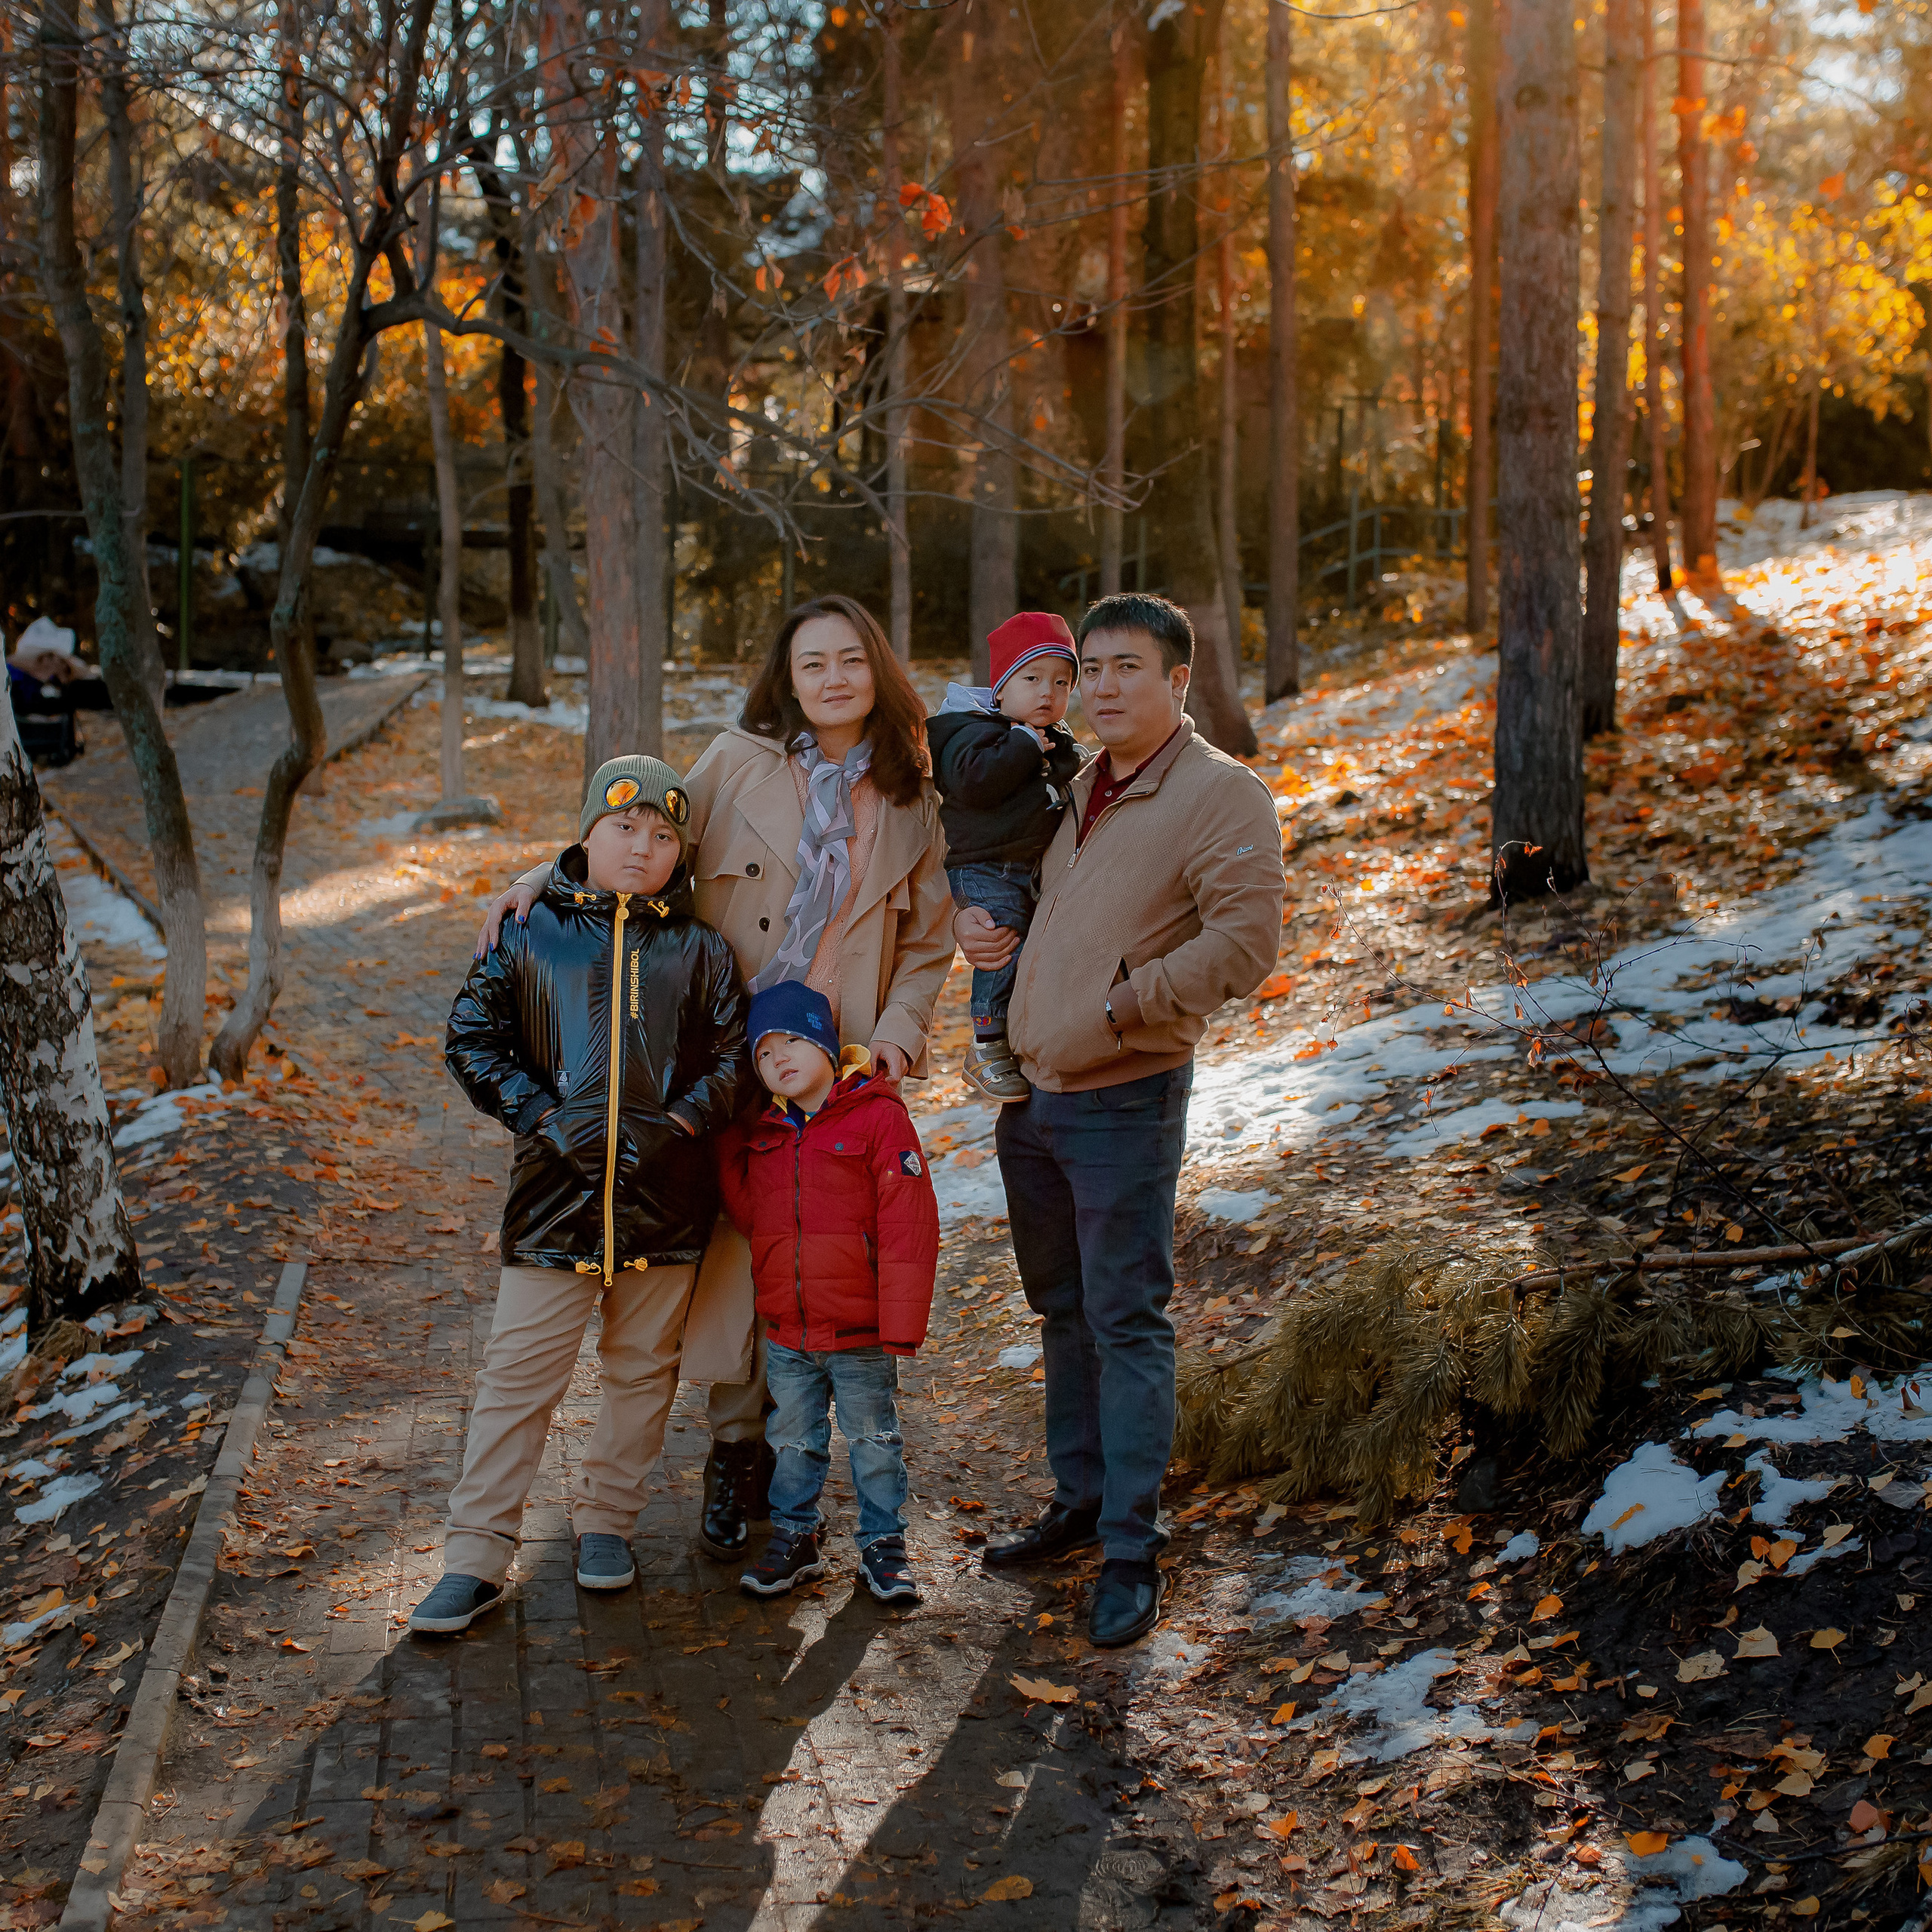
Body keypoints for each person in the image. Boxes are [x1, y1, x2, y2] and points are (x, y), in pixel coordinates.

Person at [475, 595, 953, 1562]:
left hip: (836, 1064)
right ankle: (738, 1454)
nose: (830, 679)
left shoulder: (915, 795)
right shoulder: (737, 761)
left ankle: (804, 1471)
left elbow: (930, 943)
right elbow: (641, 837)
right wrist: (545, 873)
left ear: (878, 670)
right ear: (784, 676)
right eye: (810, 662)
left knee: (823, 1255)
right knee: (740, 1261)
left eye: (849, 660)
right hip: (722, 1052)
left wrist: (900, 1032)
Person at [953, 592, 1285, 1648]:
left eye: (1125, 668)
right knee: (1063, 1312)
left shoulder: (1223, 795)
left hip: (1124, 1097)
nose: (1099, 687)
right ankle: (1081, 1503)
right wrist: (982, 931)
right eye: (1088, 668)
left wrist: (1119, 1006)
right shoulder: (1078, 781)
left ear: (1177, 681)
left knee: (1126, 1319)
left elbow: (1244, 946)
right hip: (1036, 1098)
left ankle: (1135, 1551)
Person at [415, 755, 752, 1633]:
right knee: (515, 1379)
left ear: (681, 851)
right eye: (623, 829)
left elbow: (732, 1058)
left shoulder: (700, 948)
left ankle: (607, 1522)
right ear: (586, 834)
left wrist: (679, 1123)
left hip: (664, 1203)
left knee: (641, 1374)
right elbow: (470, 1038)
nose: (641, 848)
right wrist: (537, 1113)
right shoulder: (528, 933)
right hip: (552, 1204)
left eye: (662, 835)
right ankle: (477, 1552)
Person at [716, 981, 937, 1603]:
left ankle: (883, 1544)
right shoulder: (765, 1134)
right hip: (789, 1330)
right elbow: (752, 1215)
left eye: (793, 1041)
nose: (779, 1058)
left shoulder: (878, 1116)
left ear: (826, 1042)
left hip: (860, 1329)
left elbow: (909, 1223)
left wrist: (900, 1322)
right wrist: (728, 1137)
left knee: (873, 1440)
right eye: (763, 1053)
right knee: (793, 1440)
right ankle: (795, 1536)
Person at [926, 611, 1087, 1103]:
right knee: (1003, 942)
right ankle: (986, 1042)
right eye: (1033, 678)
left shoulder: (1046, 736)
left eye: (1062, 682)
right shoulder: (970, 734)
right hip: (984, 866)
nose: (1047, 693)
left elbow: (1071, 772)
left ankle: (1018, 1033)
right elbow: (975, 782)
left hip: (1027, 867)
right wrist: (1021, 745)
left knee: (1030, 950)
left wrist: (1063, 755)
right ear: (1000, 688)